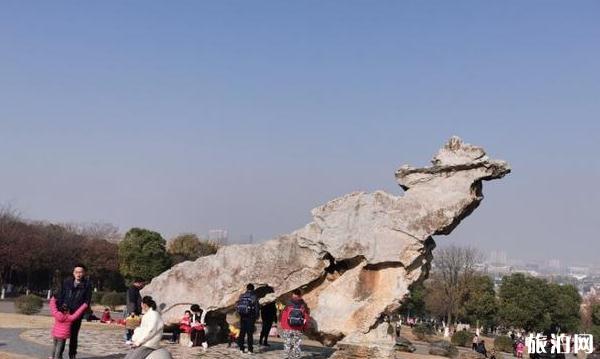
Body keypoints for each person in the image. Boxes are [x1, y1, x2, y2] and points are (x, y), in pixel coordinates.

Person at [57, 264, 92, 359]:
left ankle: (72, 355)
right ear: (73, 273)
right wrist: (60, 308)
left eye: (80, 272)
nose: (78, 274)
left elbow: (87, 301)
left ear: (84, 273)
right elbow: (60, 296)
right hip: (64, 313)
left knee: (74, 335)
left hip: (77, 314)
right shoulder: (66, 282)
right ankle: (58, 355)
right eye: (76, 272)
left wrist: (82, 312)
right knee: (62, 335)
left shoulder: (87, 285)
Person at [280, 289, 310, 359]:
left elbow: (284, 316)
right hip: (298, 328)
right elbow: (306, 317)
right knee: (296, 344)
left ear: (293, 294)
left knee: (287, 343)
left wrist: (283, 326)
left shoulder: (288, 304)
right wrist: (304, 327)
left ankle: (286, 356)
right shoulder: (303, 305)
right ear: (300, 295)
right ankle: (295, 356)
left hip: (287, 327)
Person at [236, 283, 259, 354]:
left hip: (242, 316)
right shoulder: (254, 296)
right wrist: (257, 316)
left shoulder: (241, 296)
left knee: (242, 332)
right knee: (249, 333)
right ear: (253, 289)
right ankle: (250, 350)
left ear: (247, 288)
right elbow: (256, 308)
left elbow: (237, 306)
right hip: (250, 317)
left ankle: (241, 348)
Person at [125, 279, 144, 344]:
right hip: (133, 310)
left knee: (134, 325)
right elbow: (132, 301)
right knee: (131, 325)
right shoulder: (133, 289)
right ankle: (129, 338)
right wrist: (132, 311)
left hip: (135, 310)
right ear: (137, 283)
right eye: (141, 283)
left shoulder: (135, 289)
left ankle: (132, 338)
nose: (142, 285)